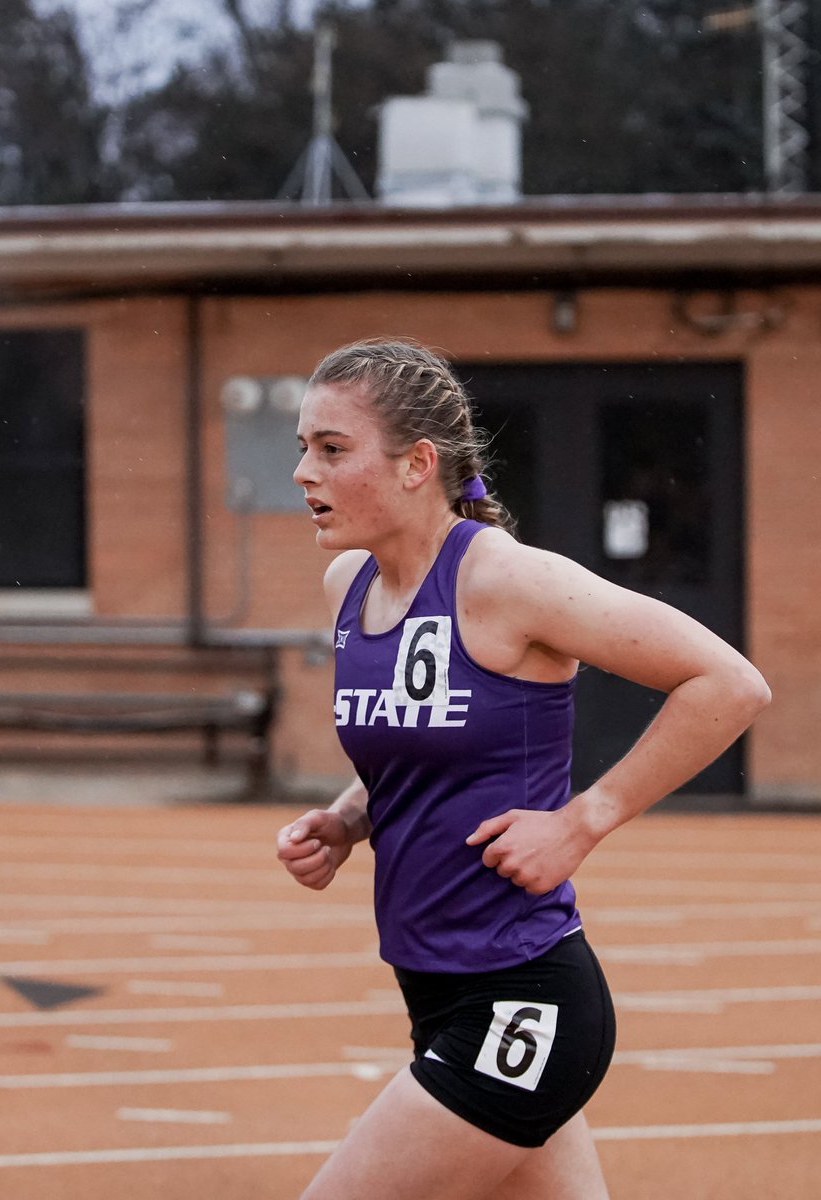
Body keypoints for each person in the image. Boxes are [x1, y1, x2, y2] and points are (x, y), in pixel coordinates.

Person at [276, 338, 770, 1200]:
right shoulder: (349, 585)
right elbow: (423, 740)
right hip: (433, 988)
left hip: (522, 997)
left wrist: (584, 820)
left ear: (416, 464)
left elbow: (729, 684)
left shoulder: (508, 581)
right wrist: (349, 819)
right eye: (303, 447)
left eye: (332, 448)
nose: (303, 472)